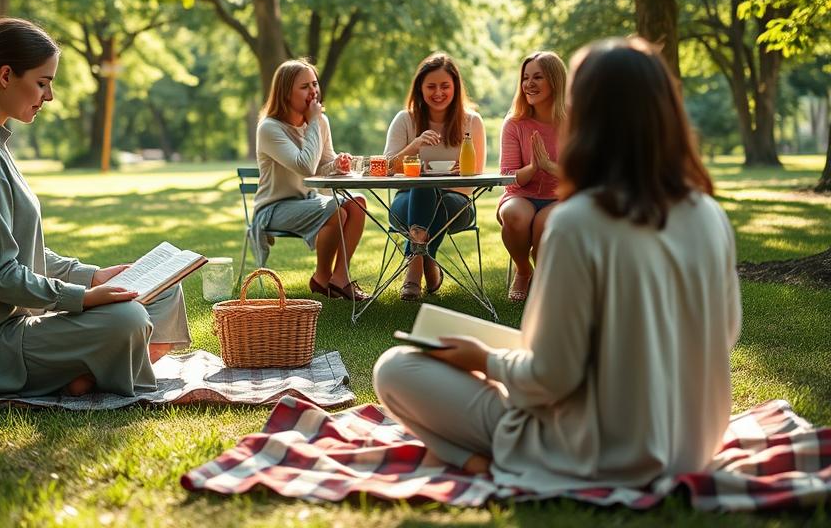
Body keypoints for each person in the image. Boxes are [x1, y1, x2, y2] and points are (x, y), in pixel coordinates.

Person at [373, 37, 741, 491]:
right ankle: (473, 457)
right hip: (693, 443)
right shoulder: (707, 214)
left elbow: (549, 379)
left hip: (597, 451)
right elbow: (724, 333)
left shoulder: (577, 222)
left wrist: (483, 359)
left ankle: (479, 460)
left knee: (395, 369)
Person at [0, 18, 190, 397]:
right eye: (42, 83)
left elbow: (14, 249)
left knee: (164, 292)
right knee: (127, 319)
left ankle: (85, 373)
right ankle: (86, 373)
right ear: (6, 76)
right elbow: (1, 276)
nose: (49, 96)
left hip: (5, 325)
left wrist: (92, 277)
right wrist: (81, 298)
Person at [253, 59, 369, 301]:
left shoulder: (320, 123)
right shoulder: (269, 129)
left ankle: (340, 277)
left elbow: (321, 165)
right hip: (273, 208)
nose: (313, 91)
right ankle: (322, 278)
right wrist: (314, 121)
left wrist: (337, 164)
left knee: (357, 203)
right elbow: (305, 166)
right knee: (337, 211)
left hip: (308, 200)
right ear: (286, 93)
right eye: (304, 86)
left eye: (314, 84)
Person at [384, 52, 486, 301]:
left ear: (455, 87)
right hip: (406, 201)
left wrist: (462, 173)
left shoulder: (471, 121)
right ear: (420, 88)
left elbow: (476, 177)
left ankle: (414, 268)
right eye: (431, 86)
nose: (438, 92)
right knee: (423, 185)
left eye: (444, 86)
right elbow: (386, 168)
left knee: (428, 188)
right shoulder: (405, 119)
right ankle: (426, 259)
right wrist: (415, 145)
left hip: (456, 203)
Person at [497, 51, 567, 301]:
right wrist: (533, 167)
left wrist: (549, 166)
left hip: (560, 196)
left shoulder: (575, 121)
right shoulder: (514, 123)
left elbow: (584, 175)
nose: (529, 84)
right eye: (525, 78)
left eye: (538, 77)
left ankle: (544, 278)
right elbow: (507, 177)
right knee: (514, 215)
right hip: (521, 194)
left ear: (555, 81)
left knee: (544, 223)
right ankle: (524, 270)